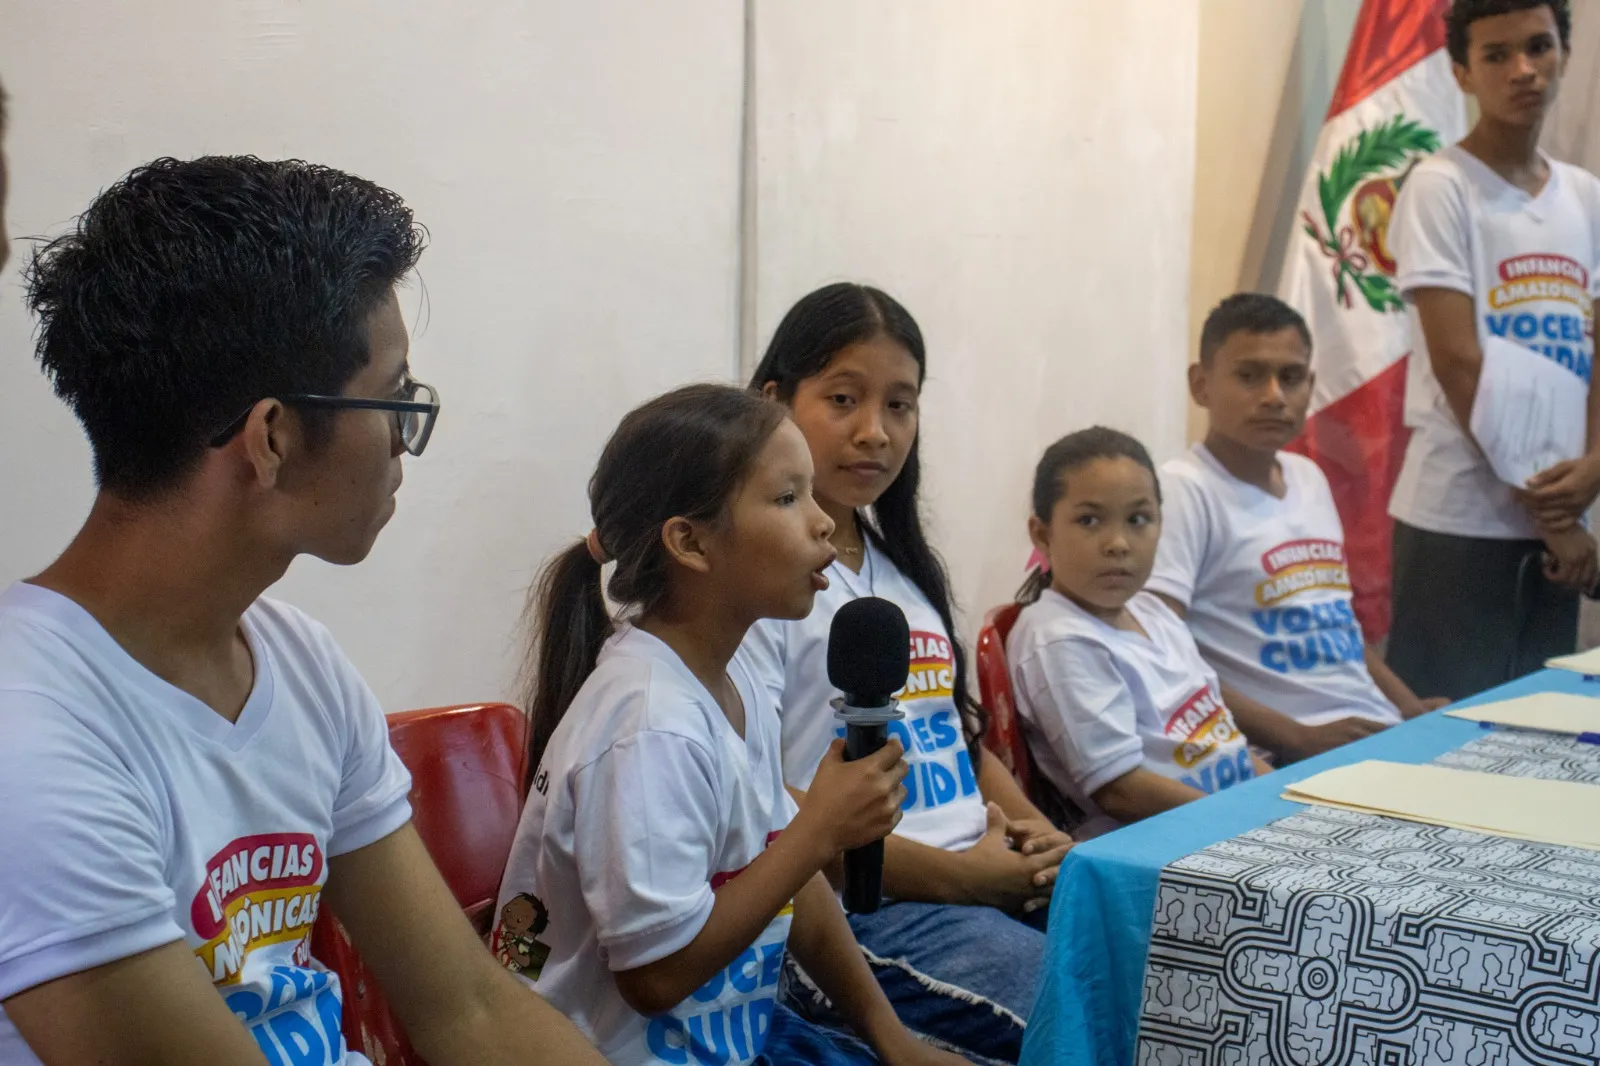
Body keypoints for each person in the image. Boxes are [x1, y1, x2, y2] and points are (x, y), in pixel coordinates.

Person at [0, 156, 604, 1065]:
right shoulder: (32, 744)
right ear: (273, 438)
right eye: (393, 398)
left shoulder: (299, 663)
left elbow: (470, 1008)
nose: (403, 441)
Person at [495, 383, 968, 1066]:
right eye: (787, 498)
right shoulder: (650, 724)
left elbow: (786, 873)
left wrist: (890, 1038)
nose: (823, 523)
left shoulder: (735, 673)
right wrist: (818, 831)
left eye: (811, 494)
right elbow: (654, 978)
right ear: (690, 542)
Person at [744, 283, 1069, 1064]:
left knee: (1162, 971)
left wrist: (1040, 837)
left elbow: (956, 737)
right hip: (860, 912)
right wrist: (968, 879)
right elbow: (759, 805)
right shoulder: (756, 583)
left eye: (900, 405)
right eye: (844, 399)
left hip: (978, 879)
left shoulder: (901, 571)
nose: (875, 432)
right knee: (1089, 1021)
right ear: (775, 401)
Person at [1387, 0, 1600, 700]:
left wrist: (1594, 468)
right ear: (1462, 73)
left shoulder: (1586, 197)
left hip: (1560, 516)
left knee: (1537, 735)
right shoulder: (1441, 187)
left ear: (1563, 54)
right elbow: (1459, 363)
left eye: (1538, 47)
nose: (1523, 69)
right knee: (1447, 737)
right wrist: (1555, 518)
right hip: (1460, 518)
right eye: (1497, 55)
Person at [1147, 294, 1447, 766]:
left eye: (1290, 377)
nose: (1273, 396)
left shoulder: (1308, 477)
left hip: (1371, 731)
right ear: (1201, 385)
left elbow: (1336, 627)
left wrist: (1410, 710)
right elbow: (1161, 654)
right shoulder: (1182, 490)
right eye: (1249, 376)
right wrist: (1296, 737)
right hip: (1284, 753)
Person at [1007, 428, 1269, 840]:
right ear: (1042, 534)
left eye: (1138, 520)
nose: (1118, 543)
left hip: (1231, 820)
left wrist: (1283, 799)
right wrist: (1242, 820)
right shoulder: (1059, 637)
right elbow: (1121, 791)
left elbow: (1227, 741)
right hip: (1166, 844)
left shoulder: (1154, 612)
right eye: (1089, 520)